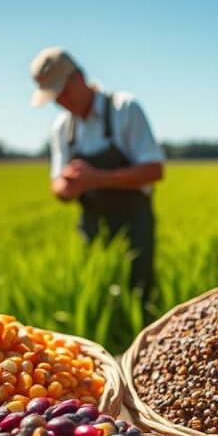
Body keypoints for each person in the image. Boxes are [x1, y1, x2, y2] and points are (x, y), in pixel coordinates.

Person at [30, 47, 164, 303]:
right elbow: (56, 183)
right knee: (98, 297)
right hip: (91, 225)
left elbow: (154, 170)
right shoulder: (61, 127)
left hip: (133, 223)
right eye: (54, 98)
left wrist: (97, 178)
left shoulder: (124, 108)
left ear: (79, 77)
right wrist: (66, 188)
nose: (61, 102)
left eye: (63, 91)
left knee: (140, 294)